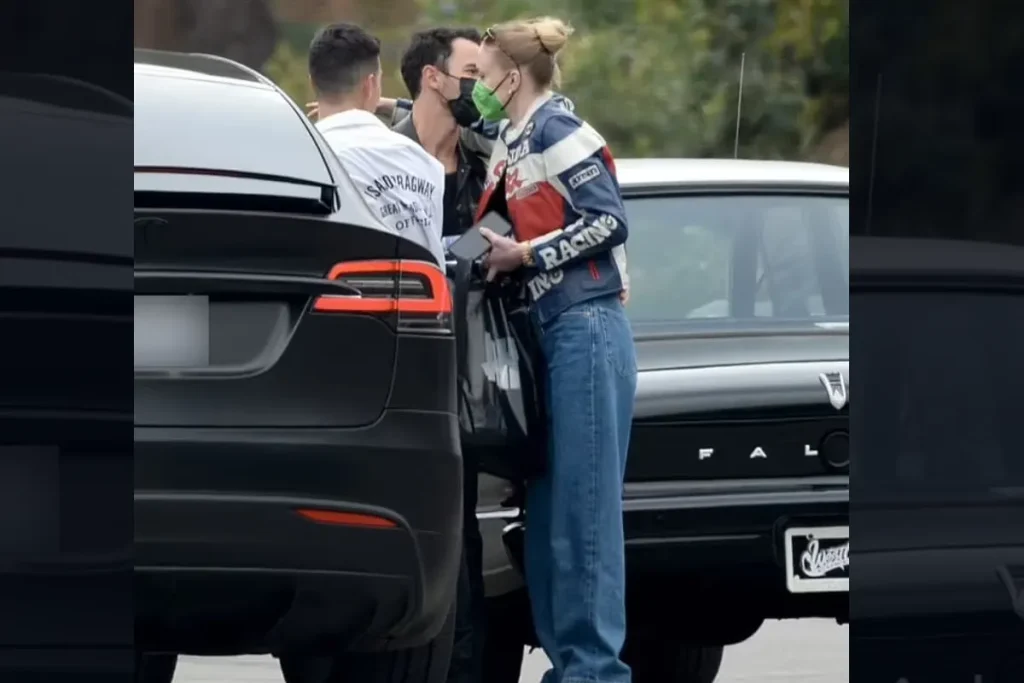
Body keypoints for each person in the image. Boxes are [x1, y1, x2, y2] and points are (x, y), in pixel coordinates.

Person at [471, 16, 637, 683]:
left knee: (584, 511)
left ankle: (594, 670)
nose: (478, 89)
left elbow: (609, 219)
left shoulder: (559, 131)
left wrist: (527, 253)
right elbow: (478, 136)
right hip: (551, 333)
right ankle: (573, 662)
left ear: (513, 77)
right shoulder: (514, 138)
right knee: (546, 517)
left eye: (483, 77)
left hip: (586, 325)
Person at [309, 22, 446, 267]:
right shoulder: (425, 164)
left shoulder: (298, 158)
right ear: (370, 84)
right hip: (417, 301)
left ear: (313, 83)